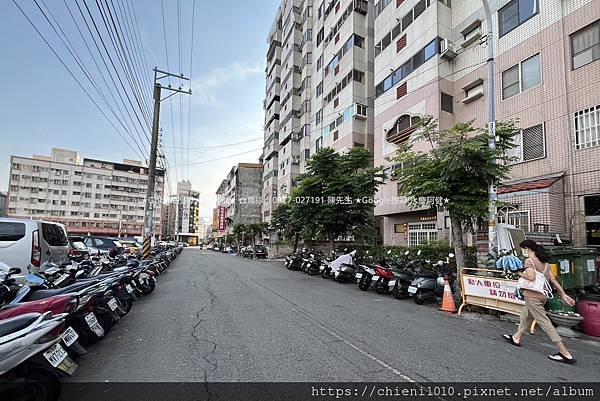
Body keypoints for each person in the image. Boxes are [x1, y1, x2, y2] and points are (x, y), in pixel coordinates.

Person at [502, 239, 577, 364]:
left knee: (545, 323)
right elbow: (553, 280)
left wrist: (518, 272)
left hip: (532, 297)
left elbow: (531, 277)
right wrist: (563, 294)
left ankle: (565, 353)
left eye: (522, 248)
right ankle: (516, 337)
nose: (522, 251)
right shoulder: (545, 263)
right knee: (526, 316)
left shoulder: (529, 261)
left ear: (527, 248)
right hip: (542, 296)